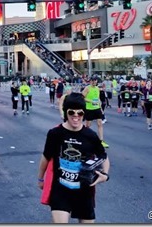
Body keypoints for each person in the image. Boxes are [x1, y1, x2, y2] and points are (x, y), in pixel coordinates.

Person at [37, 92, 110, 223]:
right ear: (66, 113)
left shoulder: (90, 135)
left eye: (80, 113)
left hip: (84, 191)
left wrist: (105, 174)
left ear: (84, 114)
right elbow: (46, 157)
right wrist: (40, 178)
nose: (76, 117)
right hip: (60, 189)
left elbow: (103, 156)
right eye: (71, 113)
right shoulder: (55, 133)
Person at [82, 76, 109, 148]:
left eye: (95, 80)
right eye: (92, 80)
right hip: (89, 109)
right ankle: (85, 138)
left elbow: (98, 99)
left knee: (100, 124)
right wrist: (90, 101)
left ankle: (101, 141)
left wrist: (101, 109)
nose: (94, 82)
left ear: (97, 81)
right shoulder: (87, 88)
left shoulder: (97, 88)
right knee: (88, 125)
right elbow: (82, 97)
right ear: (90, 81)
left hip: (96, 108)